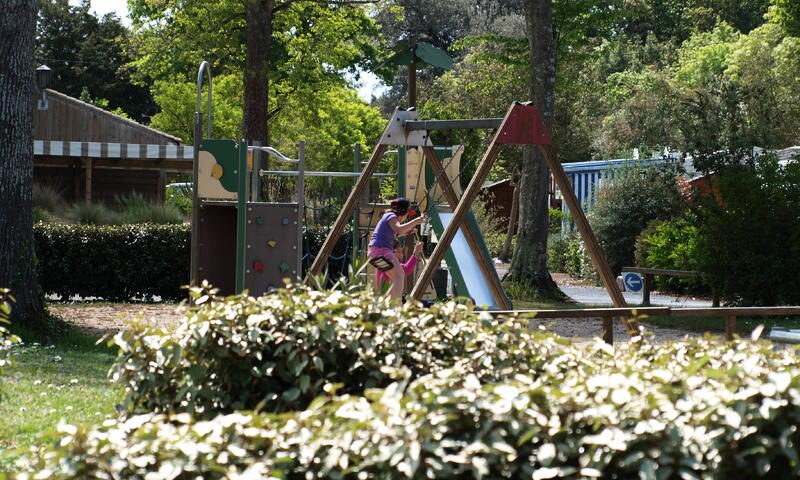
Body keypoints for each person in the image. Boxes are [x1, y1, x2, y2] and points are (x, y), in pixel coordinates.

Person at [368, 198, 426, 299]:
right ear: (403, 212)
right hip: (382, 251)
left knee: (394, 277)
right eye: (407, 214)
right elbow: (399, 228)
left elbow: (396, 233)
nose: (407, 217)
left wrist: (408, 231)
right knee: (400, 275)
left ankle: (391, 302)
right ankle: (397, 304)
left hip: (374, 254)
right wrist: (415, 221)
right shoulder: (391, 216)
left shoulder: (387, 218)